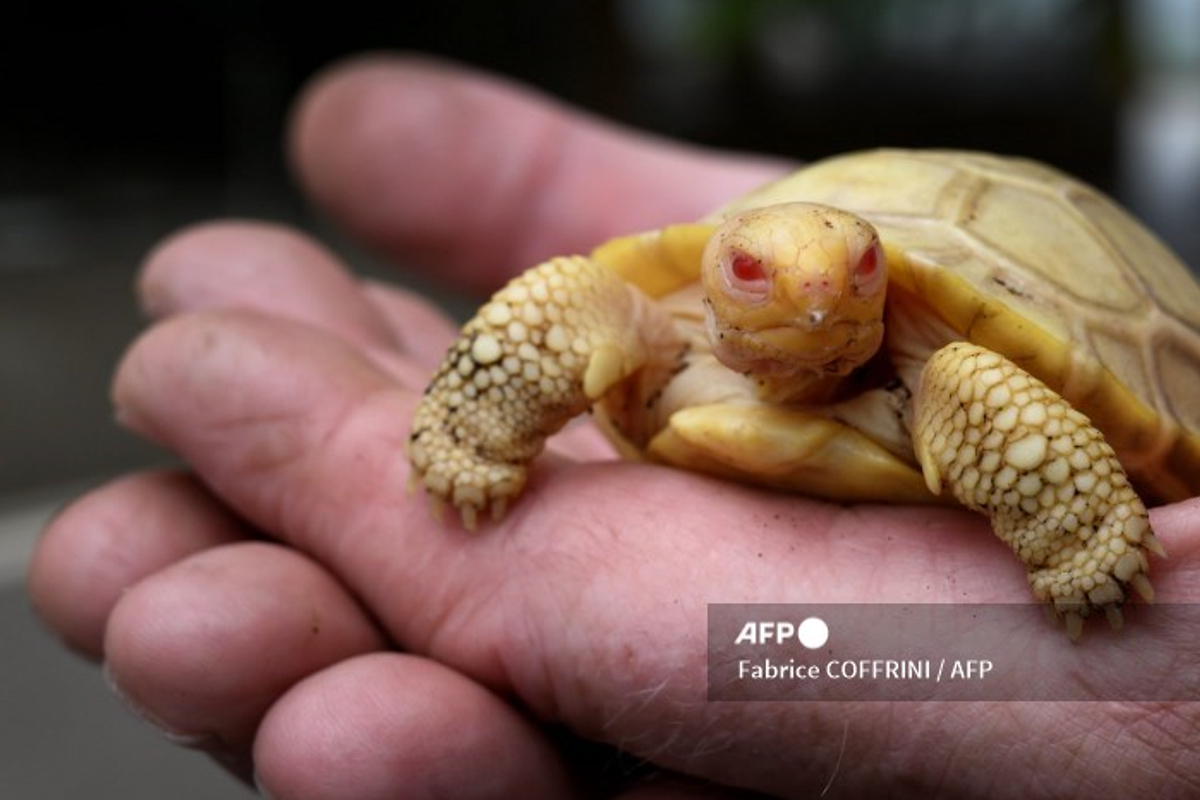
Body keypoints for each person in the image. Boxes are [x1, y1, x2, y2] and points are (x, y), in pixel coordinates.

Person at [26, 54, 1200, 799]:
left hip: (1032, 332)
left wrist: (1085, 543)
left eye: (852, 273)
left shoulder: (951, 373)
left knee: (989, 408)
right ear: (722, 275)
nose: (817, 297)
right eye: (759, 269)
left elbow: (996, 392)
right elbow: (571, 305)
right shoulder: (657, 326)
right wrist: (479, 425)